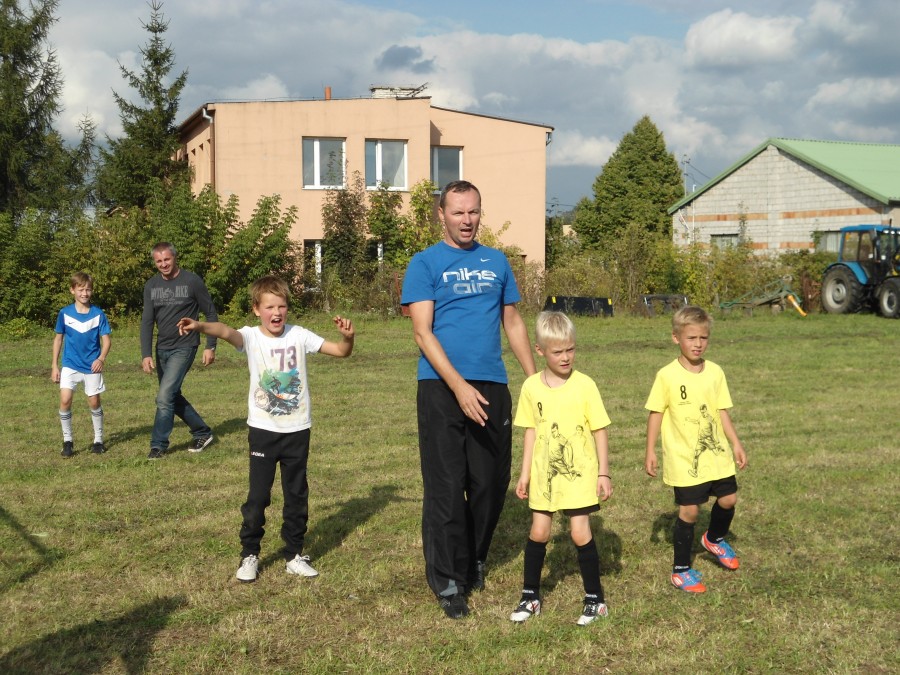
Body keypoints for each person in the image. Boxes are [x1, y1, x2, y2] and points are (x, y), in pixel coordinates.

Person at [401, 180, 536, 619]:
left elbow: (512, 323)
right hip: (441, 388)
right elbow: (422, 332)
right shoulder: (425, 263)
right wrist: (458, 387)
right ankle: (448, 582)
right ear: (441, 214)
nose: (466, 220)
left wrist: (535, 380)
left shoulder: (497, 261)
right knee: (445, 486)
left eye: (473, 211)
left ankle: (474, 556)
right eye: (458, 212)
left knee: (489, 484)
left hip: (491, 385)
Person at [177, 275, 354, 583]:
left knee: (296, 495)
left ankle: (294, 554)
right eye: (270, 307)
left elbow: (341, 351)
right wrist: (200, 326)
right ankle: (250, 554)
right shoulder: (250, 337)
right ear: (256, 309)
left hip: (297, 429)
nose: (277, 312)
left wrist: (348, 338)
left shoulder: (299, 335)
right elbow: (225, 331)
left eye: (281, 306)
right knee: (258, 497)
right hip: (263, 431)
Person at [509, 311, 612, 625]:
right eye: (557, 352)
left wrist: (603, 472)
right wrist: (525, 474)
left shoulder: (585, 385)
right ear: (540, 351)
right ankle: (530, 596)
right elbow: (530, 432)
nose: (565, 357)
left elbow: (600, 430)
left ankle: (595, 600)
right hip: (544, 476)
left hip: (580, 475)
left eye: (570, 349)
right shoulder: (531, 387)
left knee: (579, 533)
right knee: (539, 532)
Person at [644, 305, 748, 593]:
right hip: (683, 458)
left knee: (728, 499)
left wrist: (736, 443)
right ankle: (681, 570)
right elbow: (655, 413)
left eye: (703, 338)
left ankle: (713, 539)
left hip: (717, 454)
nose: (698, 343)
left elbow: (722, 411)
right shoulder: (667, 375)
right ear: (676, 337)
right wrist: (650, 450)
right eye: (691, 338)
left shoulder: (715, 372)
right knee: (689, 512)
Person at [140, 242, 218, 460]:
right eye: (159, 261)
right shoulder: (151, 285)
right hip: (162, 348)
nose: (163, 264)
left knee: (164, 396)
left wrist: (210, 345)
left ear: (174, 258)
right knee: (171, 395)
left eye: (167, 259)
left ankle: (158, 445)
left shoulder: (192, 281)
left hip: (185, 345)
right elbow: (147, 321)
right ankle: (202, 432)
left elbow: (210, 313)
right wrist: (146, 353)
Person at [51, 272, 112, 457]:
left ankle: (98, 440)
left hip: (92, 366)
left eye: (88, 290)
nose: (85, 293)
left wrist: (101, 359)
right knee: (65, 400)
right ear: (72, 290)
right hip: (70, 364)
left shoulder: (98, 314)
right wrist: (54, 366)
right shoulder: (64, 313)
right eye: (81, 289)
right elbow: (58, 339)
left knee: (94, 401)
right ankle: (67, 441)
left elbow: (107, 341)